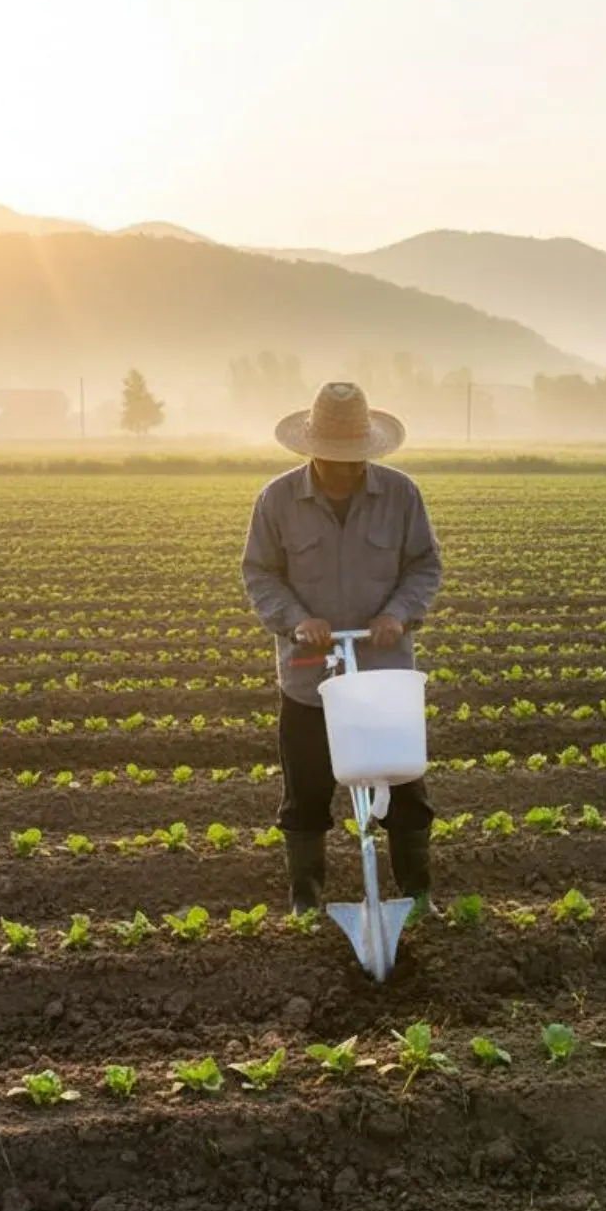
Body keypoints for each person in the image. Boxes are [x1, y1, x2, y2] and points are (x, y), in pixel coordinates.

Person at [241, 380, 443, 913]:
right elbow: (260, 573)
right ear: (312, 452)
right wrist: (297, 619)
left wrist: (397, 614)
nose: (345, 469)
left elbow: (424, 564)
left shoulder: (401, 496)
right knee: (305, 796)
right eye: (334, 459)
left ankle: (418, 896)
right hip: (312, 679)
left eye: (354, 459)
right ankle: (306, 902)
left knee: (405, 791)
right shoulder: (277, 500)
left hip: (383, 678)